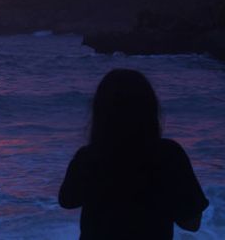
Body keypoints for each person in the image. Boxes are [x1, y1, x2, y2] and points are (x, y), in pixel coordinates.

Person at [59, 69, 208, 239]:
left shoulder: (89, 156)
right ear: (150, 109)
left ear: (100, 112)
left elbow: (67, 201)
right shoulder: (169, 154)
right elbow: (191, 223)